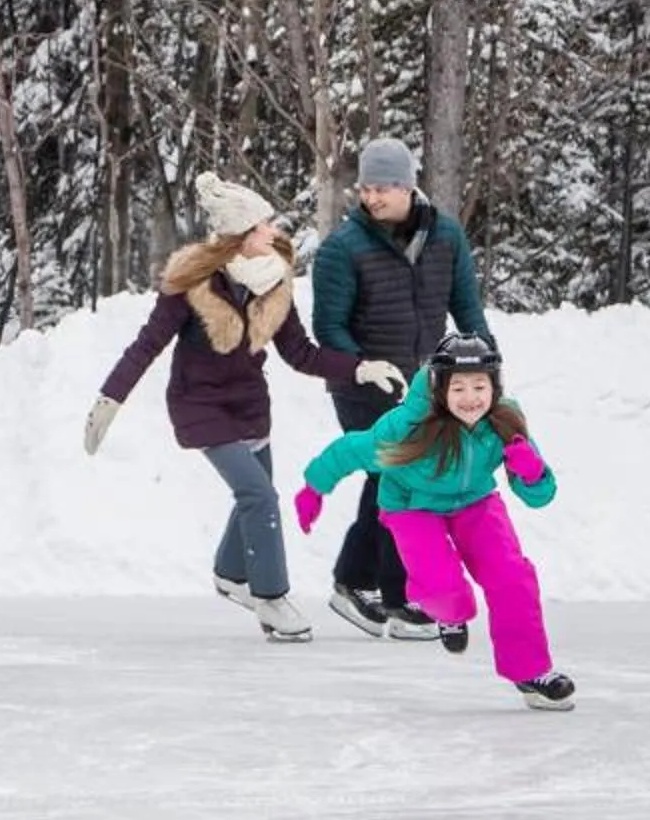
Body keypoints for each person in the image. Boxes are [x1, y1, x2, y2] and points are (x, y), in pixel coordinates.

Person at [86, 169, 407, 641]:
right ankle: (271, 598)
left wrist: (360, 368)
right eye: (262, 226)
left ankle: (230, 573)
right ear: (239, 236)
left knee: (254, 494)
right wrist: (110, 398)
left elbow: (301, 353)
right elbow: (147, 345)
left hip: (251, 407)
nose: (273, 233)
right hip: (200, 406)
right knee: (260, 497)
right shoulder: (192, 283)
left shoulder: (274, 281)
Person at [293, 331, 573, 709]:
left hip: (475, 504)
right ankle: (450, 615)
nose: (470, 398)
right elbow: (350, 450)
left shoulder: (504, 421)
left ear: (494, 386)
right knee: (444, 589)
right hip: (411, 506)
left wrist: (532, 473)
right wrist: (314, 488)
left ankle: (532, 672)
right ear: (441, 389)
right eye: (458, 388)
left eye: (480, 387)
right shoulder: (407, 425)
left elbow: (539, 496)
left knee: (511, 576)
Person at [310, 137, 491, 639]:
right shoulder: (342, 249)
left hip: (421, 382)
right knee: (398, 473)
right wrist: (364, 367)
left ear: (409, 186)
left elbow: (467, 308)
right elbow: (329, 327)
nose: (372, 197)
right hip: (361, 384)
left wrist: (486, 367)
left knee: (395, 476)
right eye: (366, 187)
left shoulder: (445, 237)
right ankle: (394, 593)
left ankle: (360, 582)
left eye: (383, 187)